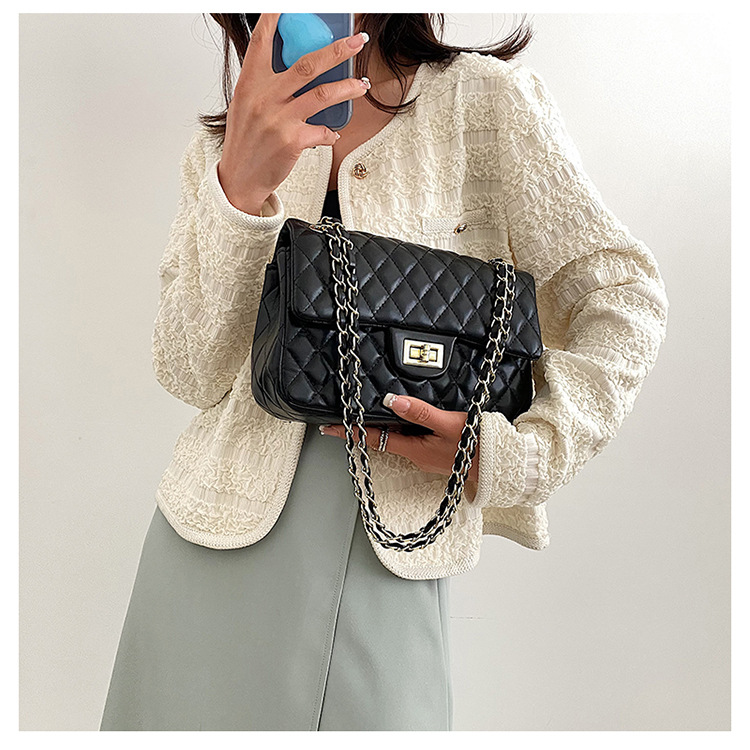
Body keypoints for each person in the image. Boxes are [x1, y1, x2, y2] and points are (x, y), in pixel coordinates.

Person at [99, 13, 668, 732]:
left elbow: (623, 297)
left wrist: (511, 453)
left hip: (389, 549)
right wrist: (238, 192)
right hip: (202, 541)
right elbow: (191, 371)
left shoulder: (481, 103)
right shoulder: (229, 137)